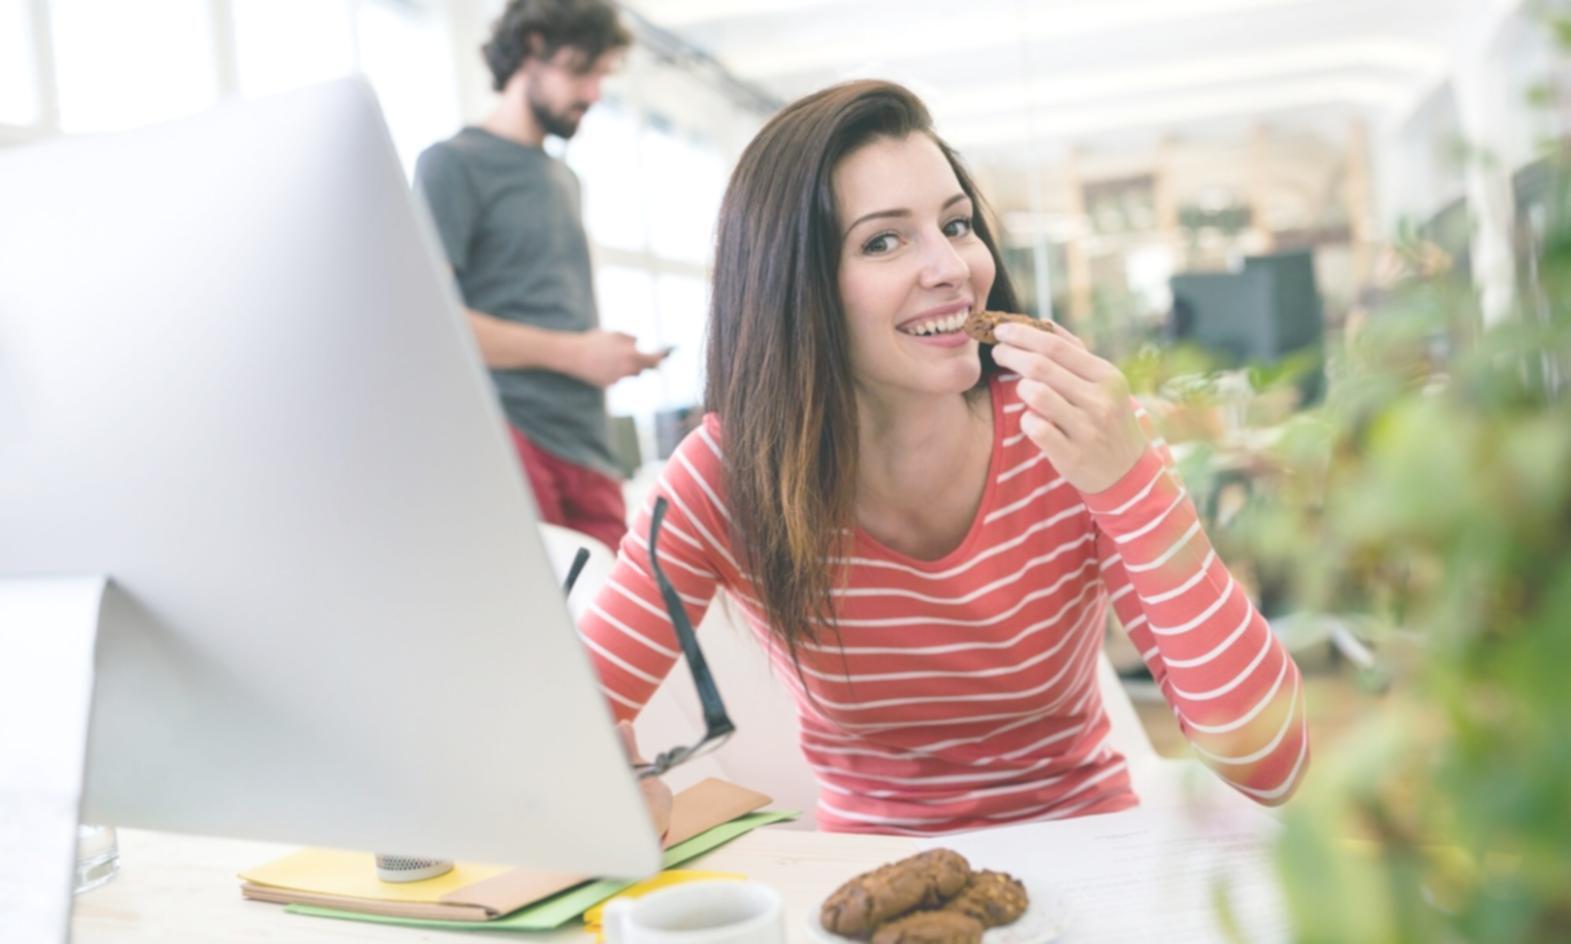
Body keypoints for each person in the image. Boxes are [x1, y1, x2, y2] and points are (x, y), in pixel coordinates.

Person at [584, 81, 1309, 835]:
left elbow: (1271, 765)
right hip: (869, 878)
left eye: (956, 225)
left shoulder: (1072, 432)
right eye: (883, 241)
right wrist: (613, 782)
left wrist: (1133, 487)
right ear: (792, 290)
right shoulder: (730, 474)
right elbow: (564, 736)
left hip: (1089, 849)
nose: (952, 267)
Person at [415, 0, 665, 550]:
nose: (593, 93)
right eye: (581, 71)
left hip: (589, 445)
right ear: (532, 50)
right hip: (511, 438)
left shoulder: (564, 179)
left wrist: (604, 356)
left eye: (601, 75)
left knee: (608, 600)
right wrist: (577, 354)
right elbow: (430, 322)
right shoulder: (452, 164)